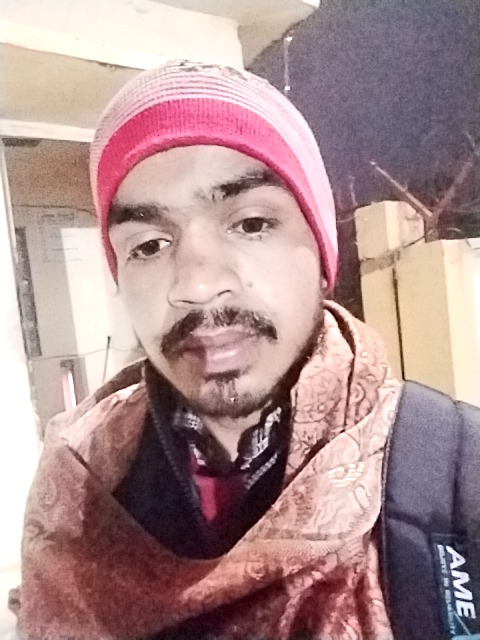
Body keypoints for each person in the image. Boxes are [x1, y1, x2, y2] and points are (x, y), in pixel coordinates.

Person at [10, 61, 480, 640]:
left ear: (321, 249)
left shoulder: (457, 480)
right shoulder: (78, 493)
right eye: (149, 245)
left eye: (252, 223)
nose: (197, 284)